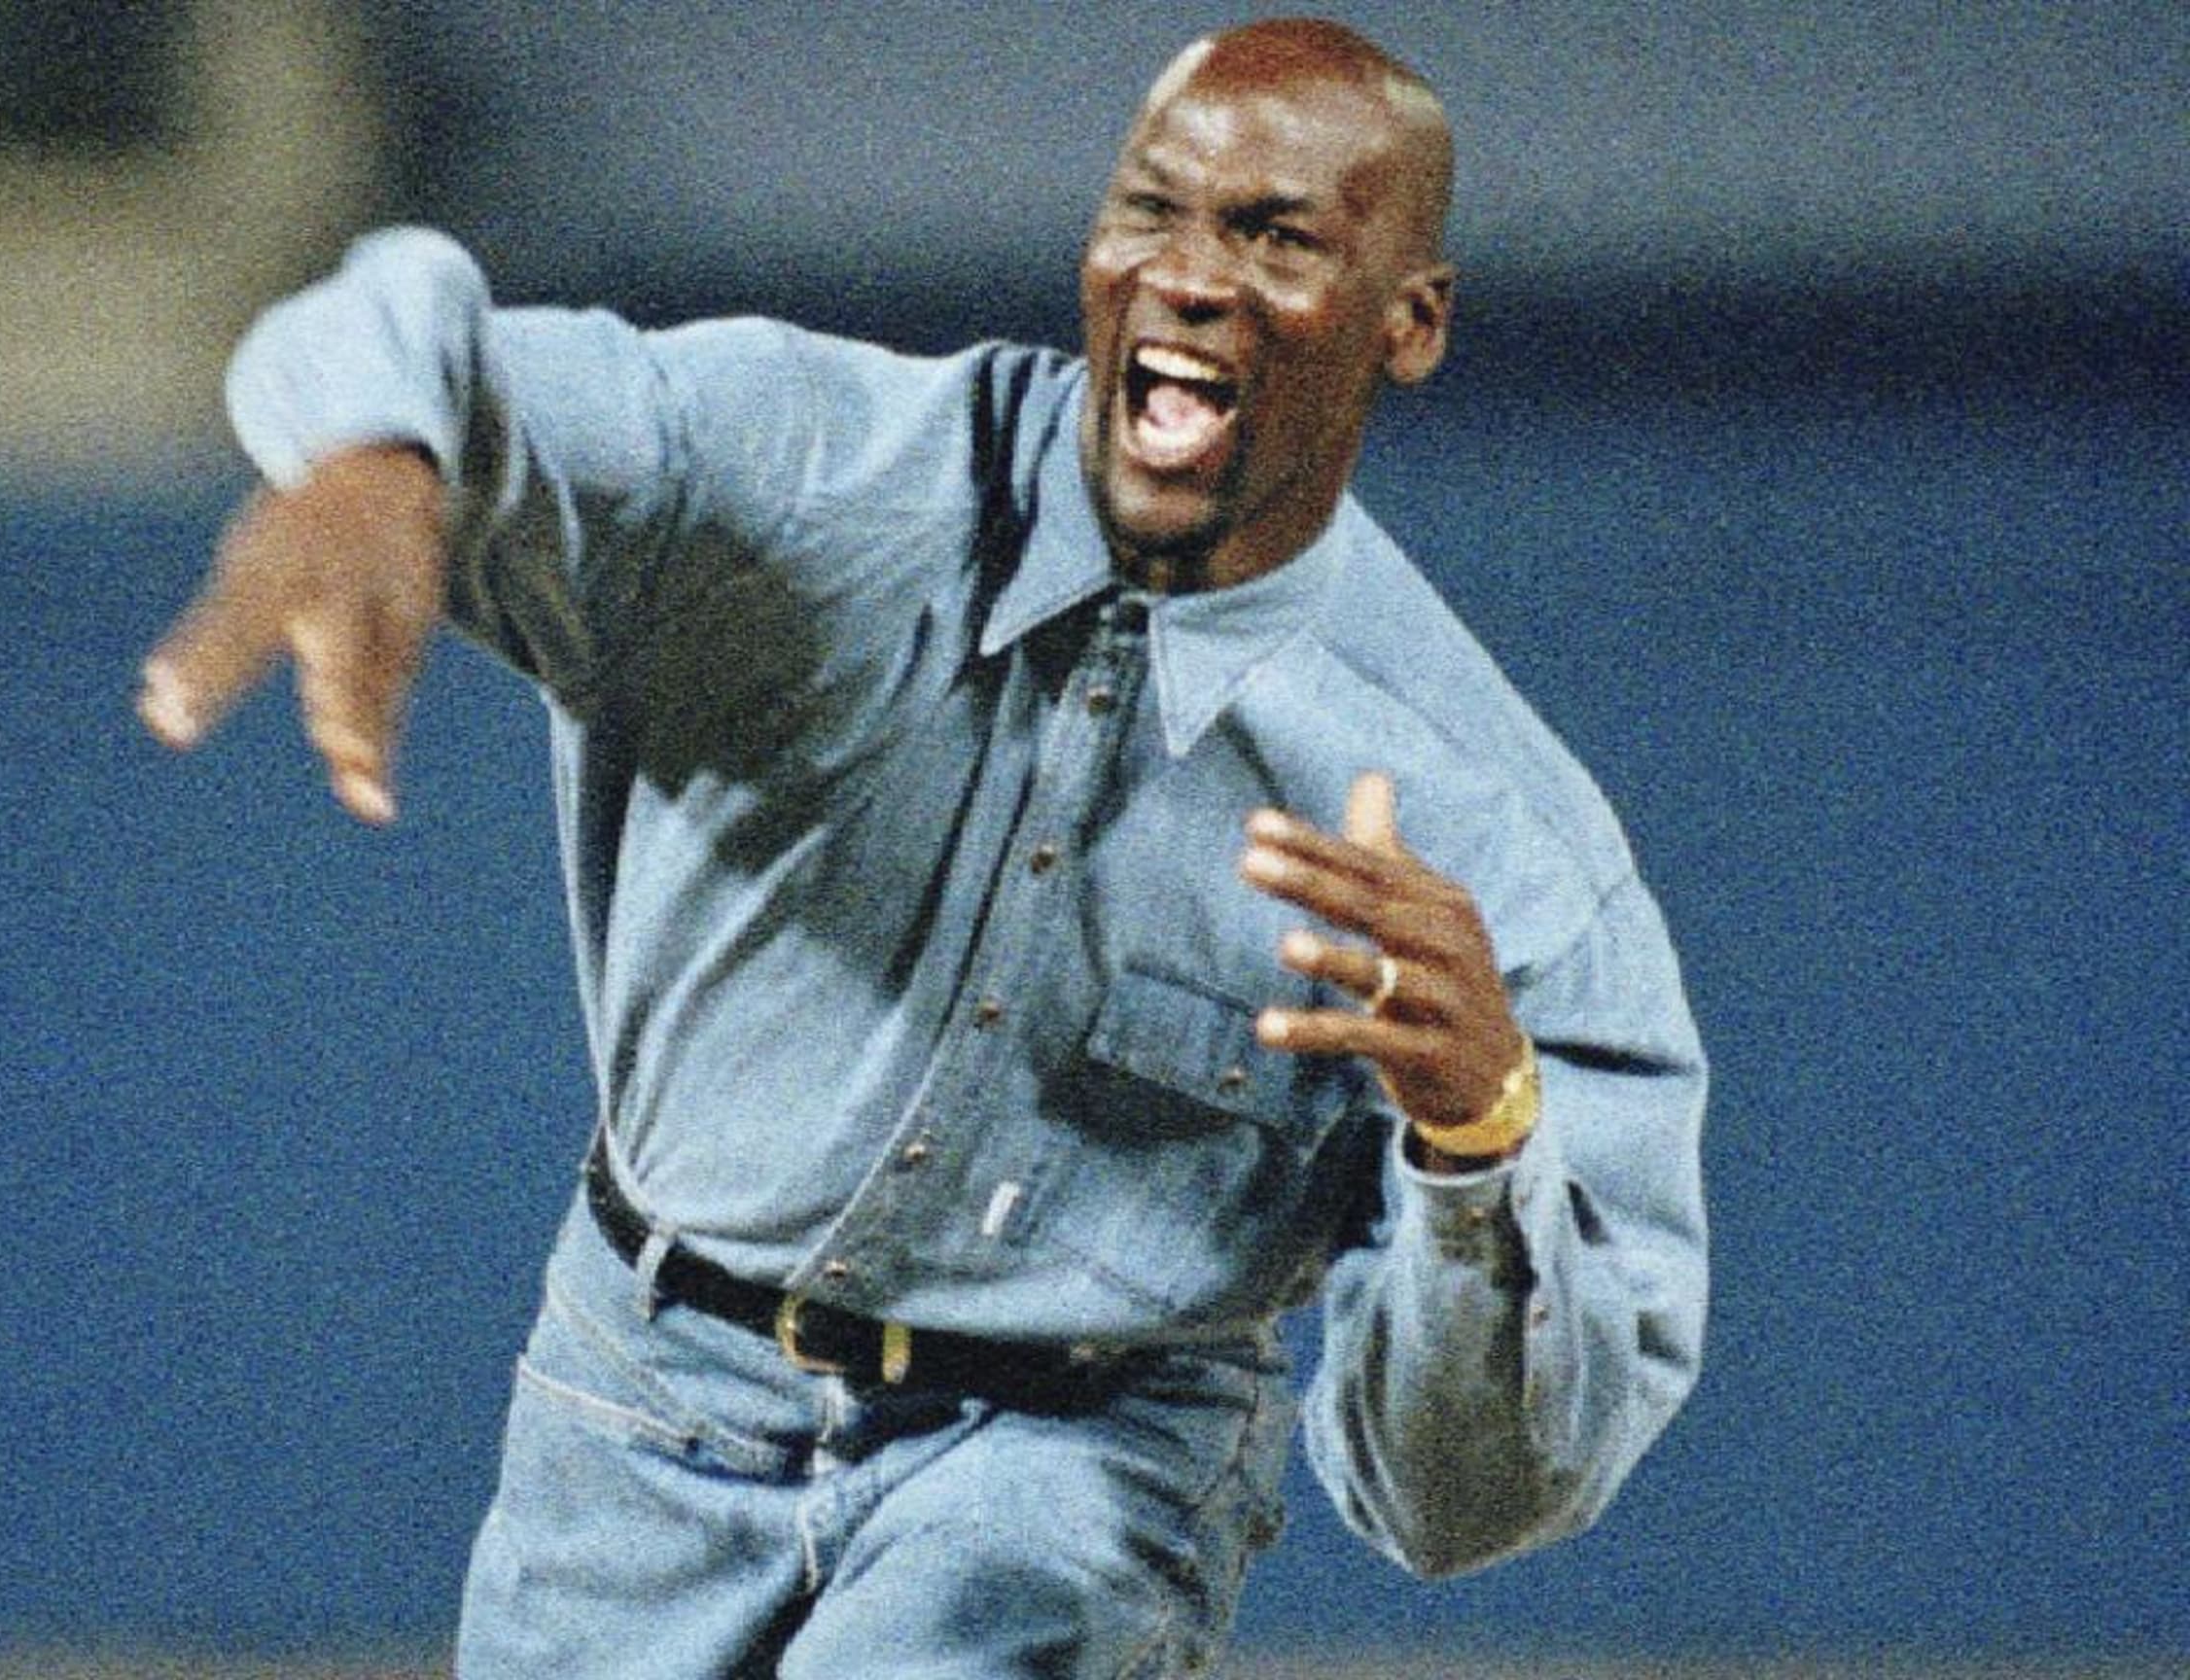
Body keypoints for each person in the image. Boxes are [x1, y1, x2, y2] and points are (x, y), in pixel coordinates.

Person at [137, 17, 1707, 1678]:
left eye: (1276, 237)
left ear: (1412, 321)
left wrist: (1477, 1137)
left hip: (1076, 1462)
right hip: (642, 1400)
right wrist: (380, 451)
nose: (1187, 275)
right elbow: (400, 321)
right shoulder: (807, 479)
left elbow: (1456, 1506)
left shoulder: (1489, 839)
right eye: (1151, 211)